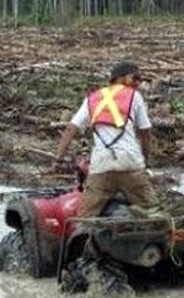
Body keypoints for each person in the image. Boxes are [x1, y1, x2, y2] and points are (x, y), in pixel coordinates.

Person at [55, 59, 163, 219]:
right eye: (135, 78)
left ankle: (82, 241)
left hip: (101, 165)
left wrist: (58, 159)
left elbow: (71, 128)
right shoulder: (134, 97)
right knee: (153, 213)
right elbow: (145, 133)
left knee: (85, 218)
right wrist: (145, 162)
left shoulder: (92, 98)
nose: (138, 83)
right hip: (130, 163)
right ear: (120, 78)